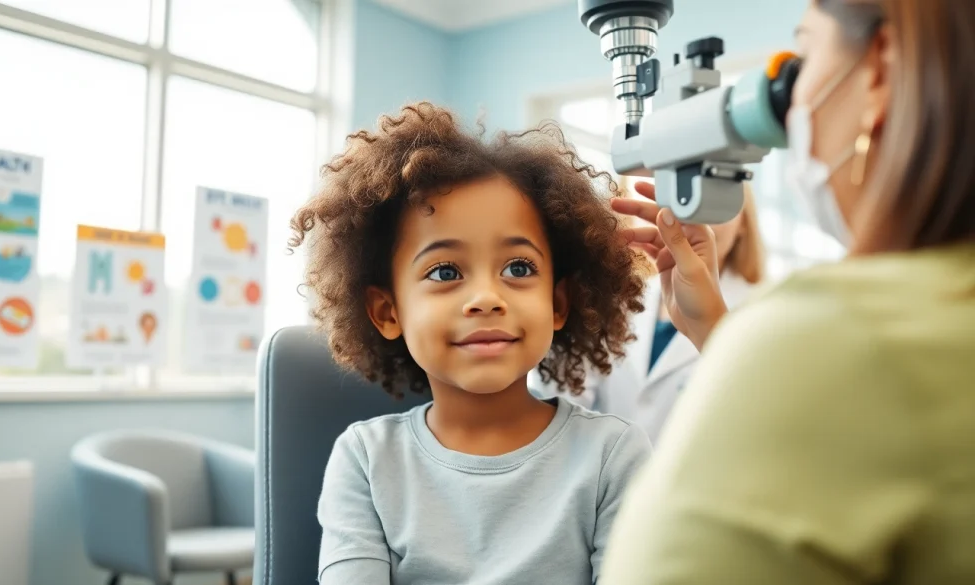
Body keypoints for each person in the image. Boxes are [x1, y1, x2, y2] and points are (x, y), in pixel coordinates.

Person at [600, 0, 975, 583]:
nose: (790, 108)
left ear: (878, 72)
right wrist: (716, 330)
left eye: (799, 62)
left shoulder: (823, 333)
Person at [288, 102, 652, 585]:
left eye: (518, 268)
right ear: (387, 312)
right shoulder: (366, 460)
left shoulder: (614, 456)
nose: (485, 298)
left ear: (558, 302)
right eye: (445, 271)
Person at [531, 184, 765, 443]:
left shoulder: (767, 311)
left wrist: (710, 328)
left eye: (718, 203)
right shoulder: (626, 298)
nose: (702, 219)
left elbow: (767, 422)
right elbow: (564, 401)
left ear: (745, 222)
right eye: (689, 197)